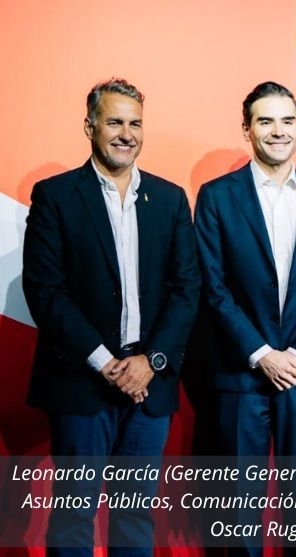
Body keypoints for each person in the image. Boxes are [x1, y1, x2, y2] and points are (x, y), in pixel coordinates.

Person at [22, 78, 200, 557]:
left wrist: (151, 361)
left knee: (135, 511)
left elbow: (187, 290)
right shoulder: (55, 196)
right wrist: (106, 363)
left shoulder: (169, 199)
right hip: (83, 380)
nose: (127, 133)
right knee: (76, 513)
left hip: (150, 382)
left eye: (136, 123)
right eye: (115, 122)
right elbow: (46, 291)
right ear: (90, 126)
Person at [194, 81, 296, 557]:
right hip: (239, 375)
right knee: (239, 516)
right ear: (247, 129)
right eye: (265, 121)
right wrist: (262, 354)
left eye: (287, 121)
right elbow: (212, 287)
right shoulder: (217, 196)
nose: (277, 131)